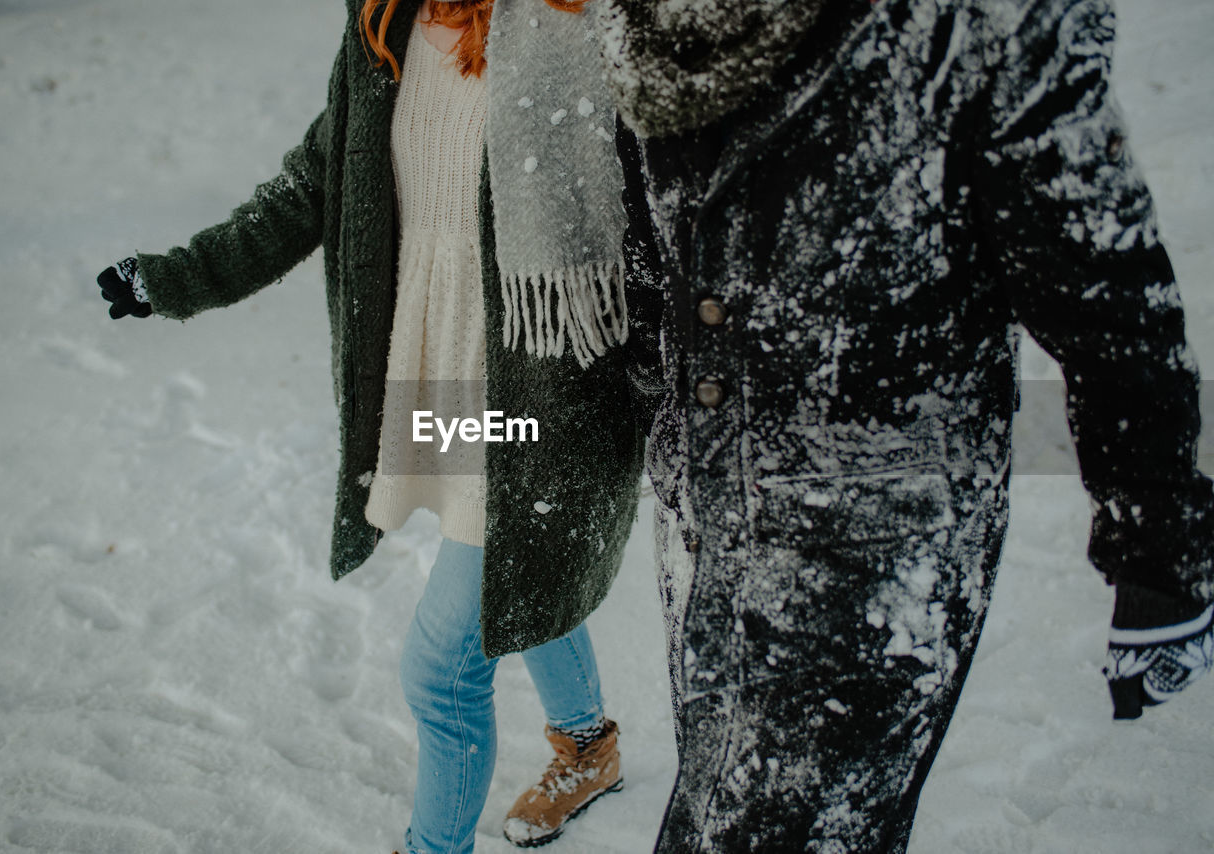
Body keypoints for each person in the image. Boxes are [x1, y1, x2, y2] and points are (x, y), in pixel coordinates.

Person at [599, 0, 1214, 851]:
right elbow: (648, 257)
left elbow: (1107, 296)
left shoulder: (977, 22)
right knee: (714, 801)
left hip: (877, 544)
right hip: (705, 518)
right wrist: (655, 420)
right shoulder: (644, 18)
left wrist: (1158, 542)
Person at [96, 1, 648, 850]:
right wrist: (174, 279)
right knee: (517, 563)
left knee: (442, 670)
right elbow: (316, 181)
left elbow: (653, 221)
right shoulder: (386, 25)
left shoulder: (571, 28)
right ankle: (588, 747)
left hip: (541, 398)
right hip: (438, 372)